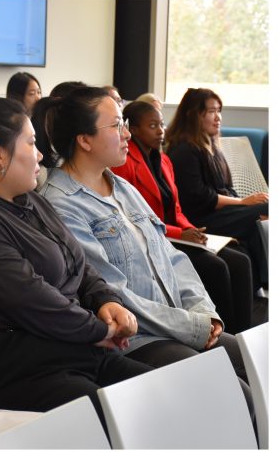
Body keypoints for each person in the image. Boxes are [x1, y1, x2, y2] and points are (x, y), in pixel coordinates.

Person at [0, 97, 151, 416]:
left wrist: (105, 301)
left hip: (69, 352)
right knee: (121, 418)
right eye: (31, 143)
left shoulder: (29, 200)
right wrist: (100, 331)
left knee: (163, 397)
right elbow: (31, 300)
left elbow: (79, 262)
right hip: (14, 373)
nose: (41, 154)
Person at [34, 87, 248, 380]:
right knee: (233, 392)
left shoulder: (123, 188)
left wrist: (204, 314)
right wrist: (191, 327)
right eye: (117, 125)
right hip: (135, 339)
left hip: (177, 320)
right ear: (84, 140)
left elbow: (173, 258)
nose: (127, 134)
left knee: (258, 366)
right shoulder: (61, 204)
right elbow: (114, 293)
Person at [113, 100, 255, 333]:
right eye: (152, 126)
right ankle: (223, 333)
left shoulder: (165, 161)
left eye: (162, 124)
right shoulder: (125, 165)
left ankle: (243, 334)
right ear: (134, 129)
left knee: (241, 260)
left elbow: (176, 210)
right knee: (216, 267)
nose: (160, 131)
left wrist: (193, 230)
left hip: (178, 233)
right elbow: (136, 219)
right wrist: (182, 234)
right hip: (159, 238)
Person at [165, 88, 268, 292]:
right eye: (211, 111)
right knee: (266, 210)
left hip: (222, 213)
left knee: (259, 219)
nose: (218, 117)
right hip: (203, 219)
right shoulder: (185, 150)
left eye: (219, 110)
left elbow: (226, 188)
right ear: (194, 114)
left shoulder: (212, 146)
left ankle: (263, 287)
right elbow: (199, 196)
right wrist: (242, 203)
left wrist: (245, 203)